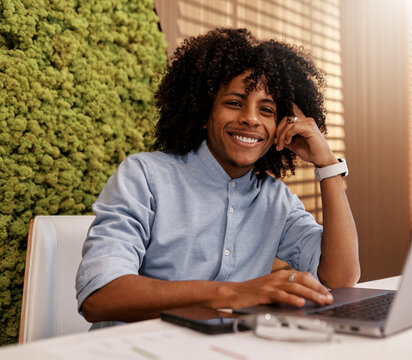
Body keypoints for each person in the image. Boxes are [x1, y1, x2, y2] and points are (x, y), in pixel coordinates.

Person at [76, 28, 360, 328]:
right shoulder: (144, 176)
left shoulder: (275, 199)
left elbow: (341, 279)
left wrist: (327, 165)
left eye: (266, 110)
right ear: (203, 112)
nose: (250, 118)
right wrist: (236, 294)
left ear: (280, 126)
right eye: (234, 103)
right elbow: (100, 296)